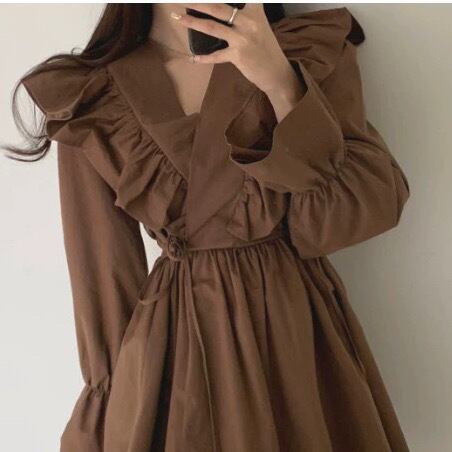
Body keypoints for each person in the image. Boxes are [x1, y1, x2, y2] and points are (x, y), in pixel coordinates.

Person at [4, 4, 410, 451]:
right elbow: (104, 278)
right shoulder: (91, 94)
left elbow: (347, 218)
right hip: (176, 356)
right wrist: (111, 414)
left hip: (296, 336)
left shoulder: (306, 51)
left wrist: (281, 83)